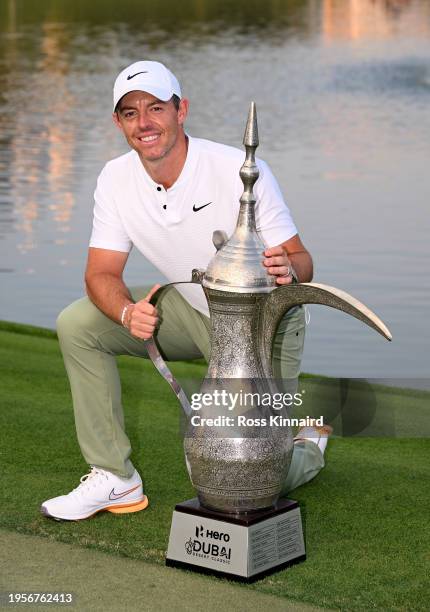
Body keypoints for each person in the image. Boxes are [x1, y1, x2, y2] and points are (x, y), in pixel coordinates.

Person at [41, 61, 331, 521]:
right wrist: (125, 314)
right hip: (191, 310)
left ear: (182, 110)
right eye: (131, 113)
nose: (145, 123)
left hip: (262, 330)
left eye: (156, 108)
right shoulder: (115, 179)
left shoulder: (235, 169)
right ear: (118, 123)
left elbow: (303, 263)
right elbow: (100, 274)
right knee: (78, 324)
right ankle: (115, 478)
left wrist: (286, 270)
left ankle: (308, 445)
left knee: (252, 475)